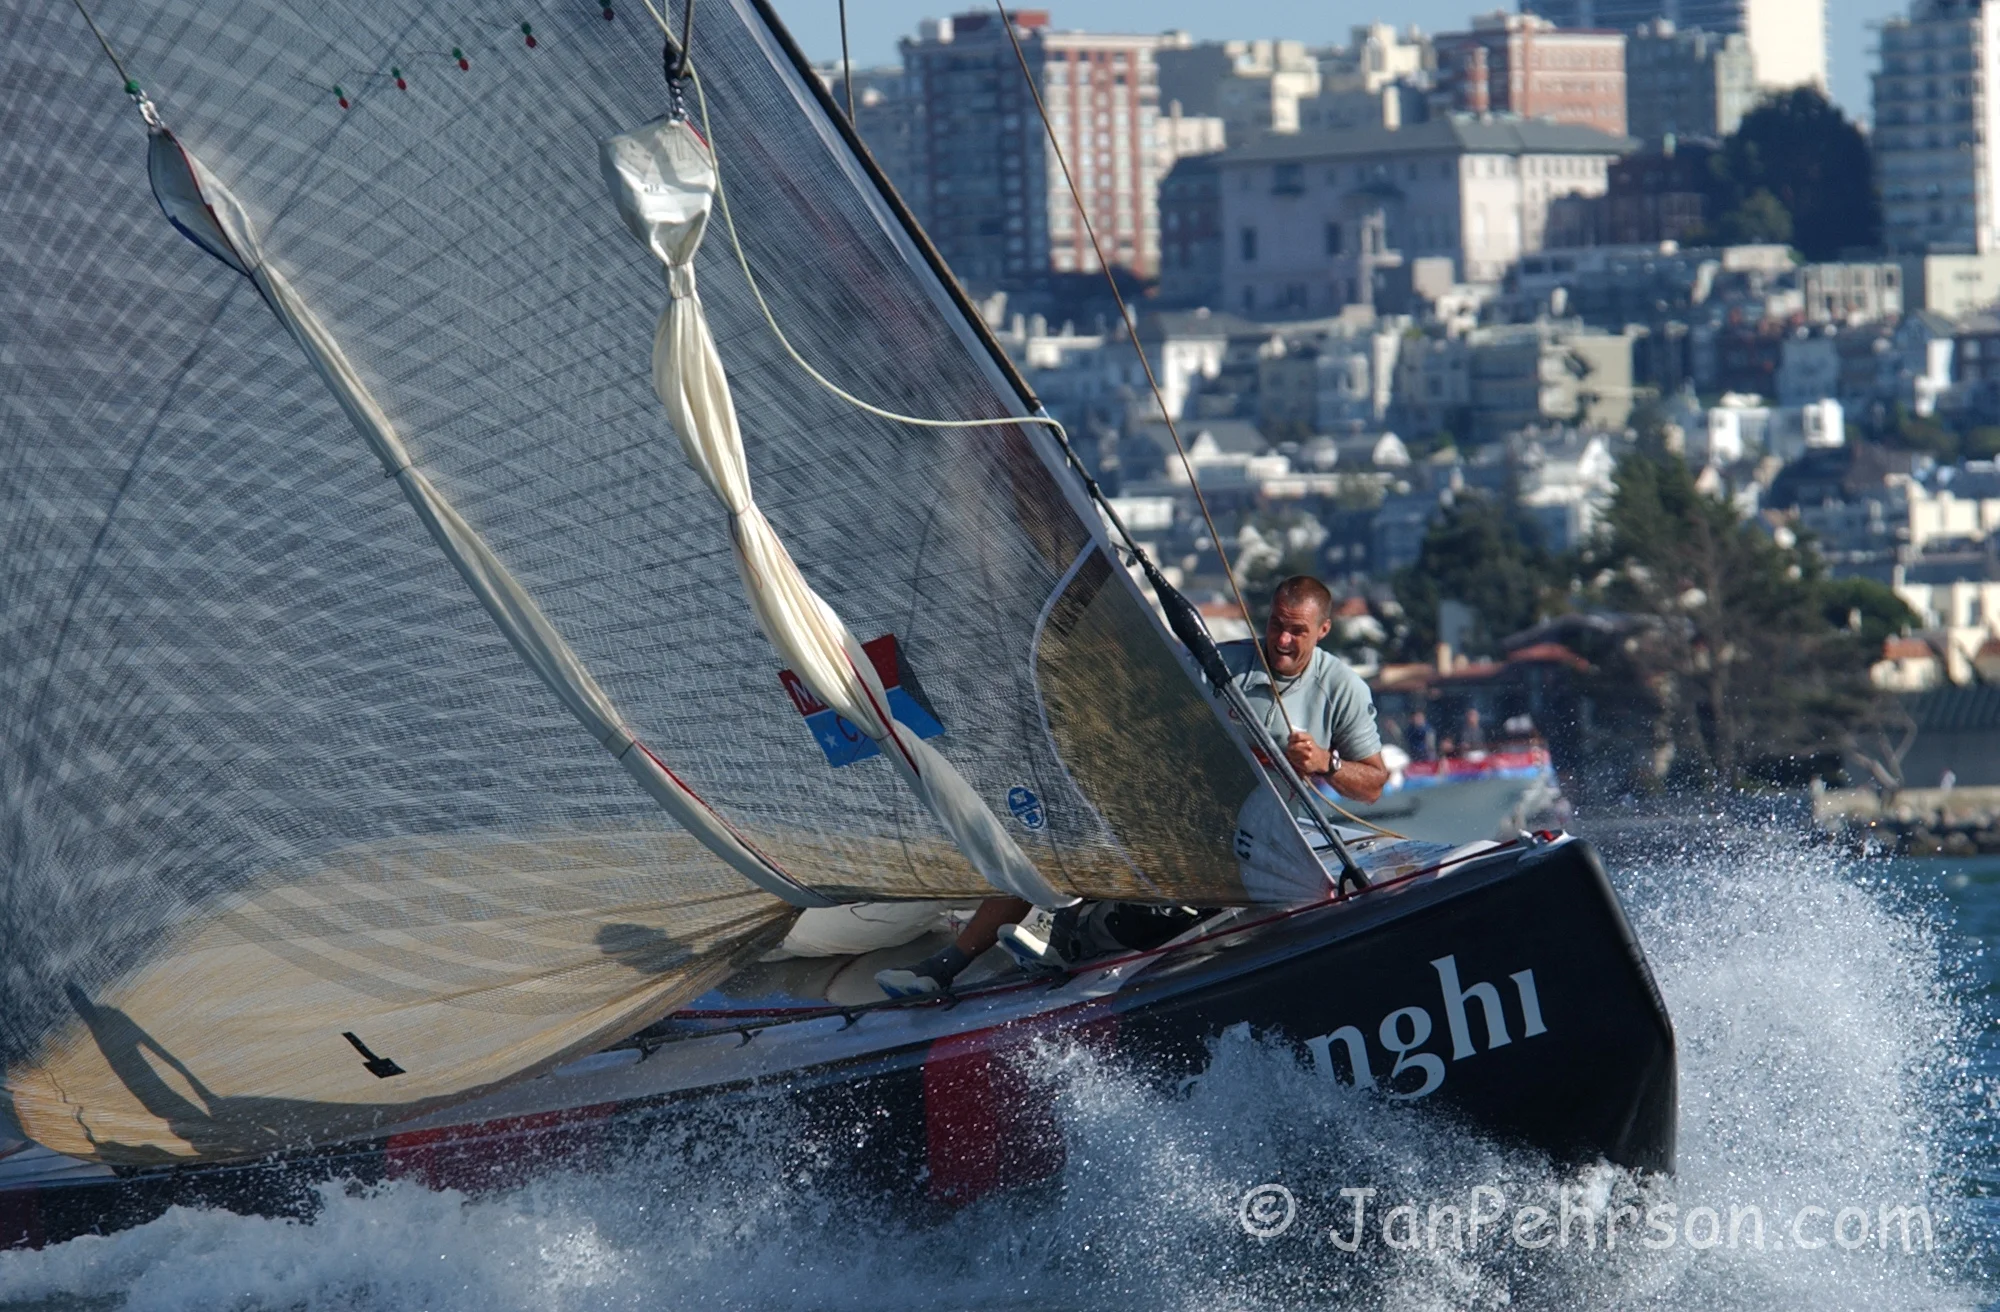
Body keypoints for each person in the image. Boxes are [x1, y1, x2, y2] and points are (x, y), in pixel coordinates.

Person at [876, 575, 1387, 999]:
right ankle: (944, 967)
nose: (1282, 640)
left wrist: (1328, 762)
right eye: (1276, 624)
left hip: (1252, 847)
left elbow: (1373, 786)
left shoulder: (1341, 689)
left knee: (1162, 909)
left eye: (1297, 631)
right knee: (1051, 832)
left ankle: (1071, 938)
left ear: (1322, 629)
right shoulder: (1222, 667)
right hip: (1177, 819)